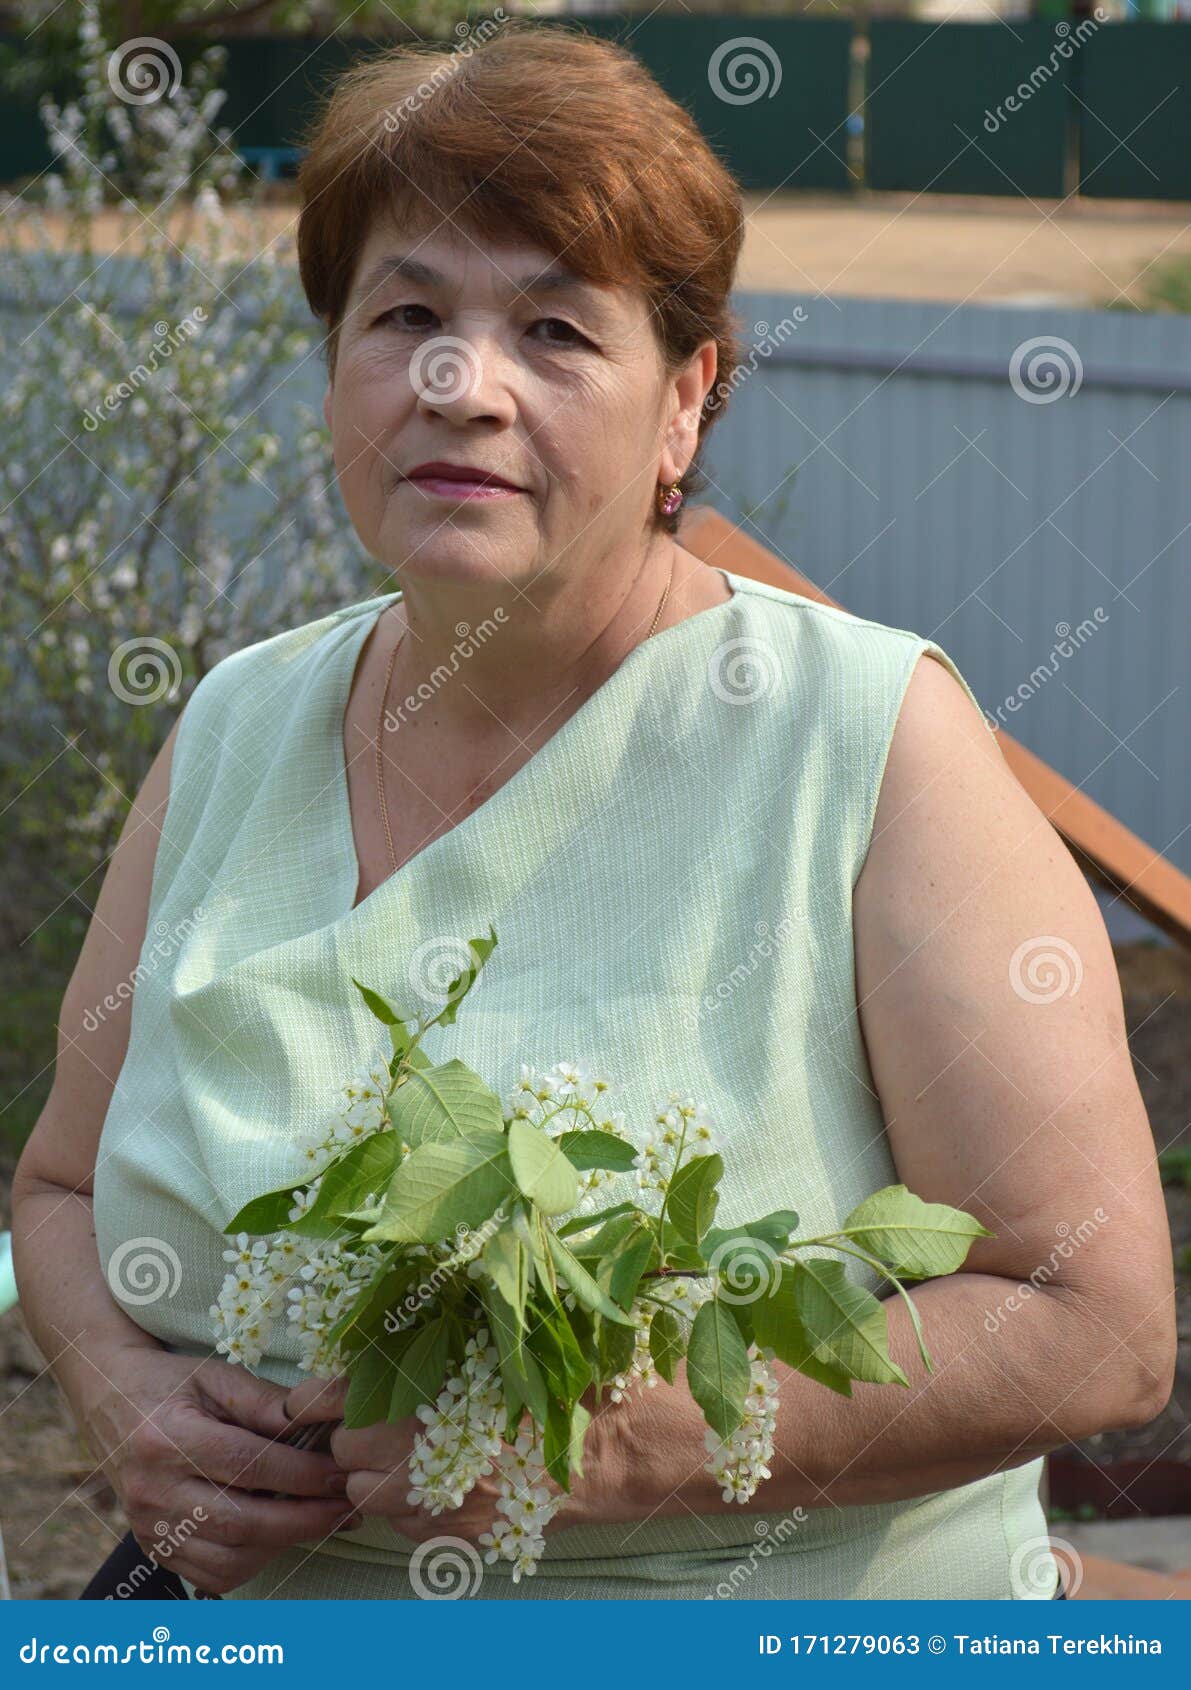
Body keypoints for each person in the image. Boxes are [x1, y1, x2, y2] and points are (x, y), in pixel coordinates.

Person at [12, 20, 1174, 1602]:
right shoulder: (234, 723)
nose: (458, 386)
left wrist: (625, 1438)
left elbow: (1096, 1326)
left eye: (554, 332)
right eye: (405, 313)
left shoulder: (869, 737)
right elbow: (60, 1192)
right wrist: (123, 1394)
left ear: (685, 401)